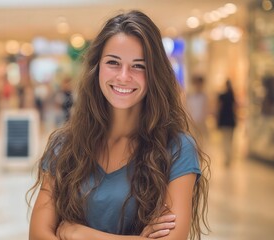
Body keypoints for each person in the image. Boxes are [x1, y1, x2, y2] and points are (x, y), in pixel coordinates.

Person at [27, 10, 209, 240]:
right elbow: (37, 234)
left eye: (138, 66)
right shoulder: (64, 146)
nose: (123, 76)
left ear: (154, 74)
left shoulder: (177, 148)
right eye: (113, 62)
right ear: (97, 68)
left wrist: (79, 234)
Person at [217, 79, 236, 167]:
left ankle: (227, 158)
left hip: (224, 120)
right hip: (231, 120)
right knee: (230, 140)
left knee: (225, 140)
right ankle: (229, 157)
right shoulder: (232, 95)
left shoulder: (222, 96)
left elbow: (219, 108)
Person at [186, 75, 209, 141]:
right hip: (193, 123)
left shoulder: (204, 97)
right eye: (196, 83)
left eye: (199, 84)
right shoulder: (190, 97)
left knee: (202, 141)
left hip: (201, 123)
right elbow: (189, 110)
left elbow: (205, 110)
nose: (198, 86)